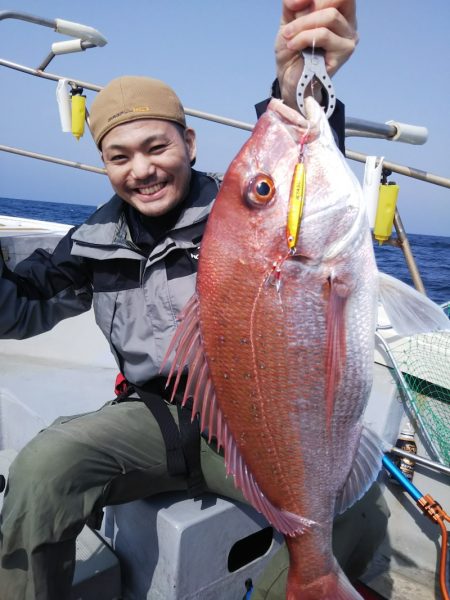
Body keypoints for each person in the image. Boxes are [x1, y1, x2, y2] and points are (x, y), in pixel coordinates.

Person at [0, 2, 387, 599]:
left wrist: (295, 81)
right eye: (119, 156)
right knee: (42, 467)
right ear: (103, 164)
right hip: (151, 417)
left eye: (157, 147)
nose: (143, 170)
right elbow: (20, 308)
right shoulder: (94, 240)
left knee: (347, 511)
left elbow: (295, 196)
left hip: (246, 423)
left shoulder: (239, 215)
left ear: (190, 141)